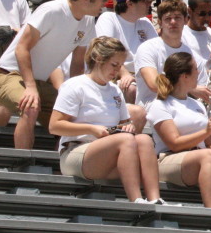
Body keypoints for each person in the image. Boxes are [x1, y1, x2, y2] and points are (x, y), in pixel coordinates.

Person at [0, 0, 110, 150]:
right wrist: (30, 87)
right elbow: (22, 48)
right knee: (30, 106)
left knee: (74, 117)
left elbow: (77, 65)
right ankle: (23, 167)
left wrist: (76, 96)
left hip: (40, 83)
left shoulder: (87, 21)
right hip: (9, 76)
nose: (105, 1)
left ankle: (62, 166)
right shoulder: (51, 10)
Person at [48, 37, 164, 204]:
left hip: (107, 152)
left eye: (120, 66)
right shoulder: (75, 85)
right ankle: (136, 199)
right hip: (76, 152)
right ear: (99, 59)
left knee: (144, 140)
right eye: (114, 65)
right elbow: (55, 126)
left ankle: (155, 198)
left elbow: (124, 124)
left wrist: (128, 127)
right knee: (126, 140)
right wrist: (91, 129)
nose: (117, 71)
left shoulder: (115, 90)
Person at [149, 51, 211, 209]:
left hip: (200, 157)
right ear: (184, 76)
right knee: (208, 156)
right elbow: (174, 144)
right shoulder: (161, 104)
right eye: (195, 69)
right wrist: (206, 132)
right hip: (168, 159)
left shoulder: (196, 104)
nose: (198, 73)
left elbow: (207, 144)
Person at [134, 0, 208, 108]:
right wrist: (191, 88)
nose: (173, 22)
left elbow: (201, 84)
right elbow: (154, 84)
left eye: (178, 18)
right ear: (160, 22)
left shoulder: (190, 53)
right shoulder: (147, 48)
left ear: (186, 20)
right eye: (168, 19)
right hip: (153, 106)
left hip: (182, 107)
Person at [93, 0, 156, 103]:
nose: (150, 4)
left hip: (144, 75)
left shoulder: (145, 23)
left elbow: (157, 50)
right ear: (130, 3)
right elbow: (105, 51)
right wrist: (124, 74)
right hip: (115, 75)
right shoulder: (108, 18)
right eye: (145, 1)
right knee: (130, 89)